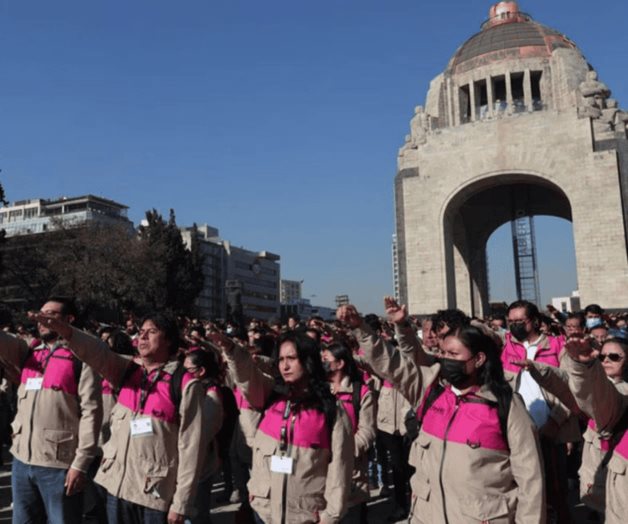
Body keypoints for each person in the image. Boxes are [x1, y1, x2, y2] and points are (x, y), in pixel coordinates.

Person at [338, 304, 545, 524]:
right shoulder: (429, 389)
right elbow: (391, 362)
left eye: (454, 354)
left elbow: (531, 481)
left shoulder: (505, 405)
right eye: (443, 353)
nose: (446, 359)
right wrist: (359, 328)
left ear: (479, 359)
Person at [31, 310, 207, 524]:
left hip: (154, 496)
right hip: (117, 487)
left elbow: (191, 449)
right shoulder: (127, 370)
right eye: (141, 332)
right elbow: (97, 352)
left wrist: (181, 504)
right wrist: (66, 331)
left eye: (151, 332)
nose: (142, 337)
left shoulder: (186, 384)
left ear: (169, 340)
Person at [212, 329, 354, 524]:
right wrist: (231, 349)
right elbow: (247, 376)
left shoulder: (331, 410)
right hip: (265, 512)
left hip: (305, 516)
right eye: (280, 359)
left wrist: (330, 516)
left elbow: (340, 469)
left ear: (308, 360)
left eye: (292, 358)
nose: (285, 366)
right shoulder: (272, 395)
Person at [0, 297, 102, 524]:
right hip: (22, 460)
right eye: (40, 314)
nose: (42, 320)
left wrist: (80, 464)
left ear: (69, 320)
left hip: (59, 466)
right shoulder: (30, 351)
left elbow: (91, 413)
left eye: (50, 315)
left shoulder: (82, 356)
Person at [562, 335, 628, 524]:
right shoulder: (603, 384)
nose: (606, 360)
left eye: (614, 357)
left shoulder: (623, 391)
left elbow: (603, 397)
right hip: (599, 475)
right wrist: (582, 365)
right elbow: (570, 385)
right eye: (602, 356)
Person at [322, 342, 376, 524]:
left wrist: (343, 452)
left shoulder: (361, 392)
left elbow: (367, 432)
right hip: (321, 471)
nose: (322, 363)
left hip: (351, 472)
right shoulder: (319, 391)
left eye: (326, 359)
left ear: (340, 363)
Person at [183, 349, 225, 524]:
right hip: (189, 466)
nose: (183, 375)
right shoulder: (196, 390)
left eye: (188, 371)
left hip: (199, 466)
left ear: (201, 371)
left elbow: (199, 436)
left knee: (196, 514)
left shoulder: (211, 396)